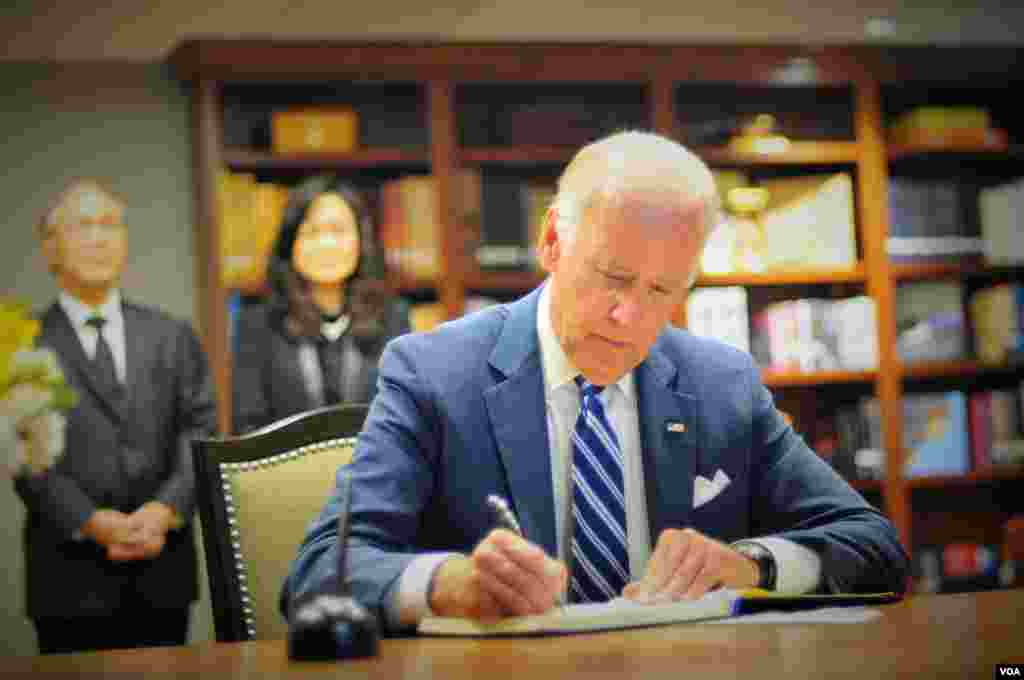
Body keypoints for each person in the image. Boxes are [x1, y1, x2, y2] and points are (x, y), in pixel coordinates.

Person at [281, 131, 908, 633]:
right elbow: (318, 573)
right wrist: (449, 585)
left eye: (662, 289)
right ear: (553, 240)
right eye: (612, 276)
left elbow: (873, 543)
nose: (629, 316)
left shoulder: (721, 384)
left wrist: (751, 565)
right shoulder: (433, 374)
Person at [13, 179, 217, 654]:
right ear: (50, 248)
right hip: (67, 576)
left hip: (162, 568)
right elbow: (22, 454)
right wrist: (88, 519)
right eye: (83, 226)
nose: (99, 238)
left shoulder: (171, 336)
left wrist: (164, 511)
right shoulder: (24, 345)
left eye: (110, 225)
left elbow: (201, 431)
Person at [231, 176, 409, 434]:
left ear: (362, 241)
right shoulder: (257, 325)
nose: (326, 244)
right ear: (290, 244)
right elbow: (247, 428)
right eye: (312, 232)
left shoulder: (394, 317)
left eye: (338, 231)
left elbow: (406, 418)